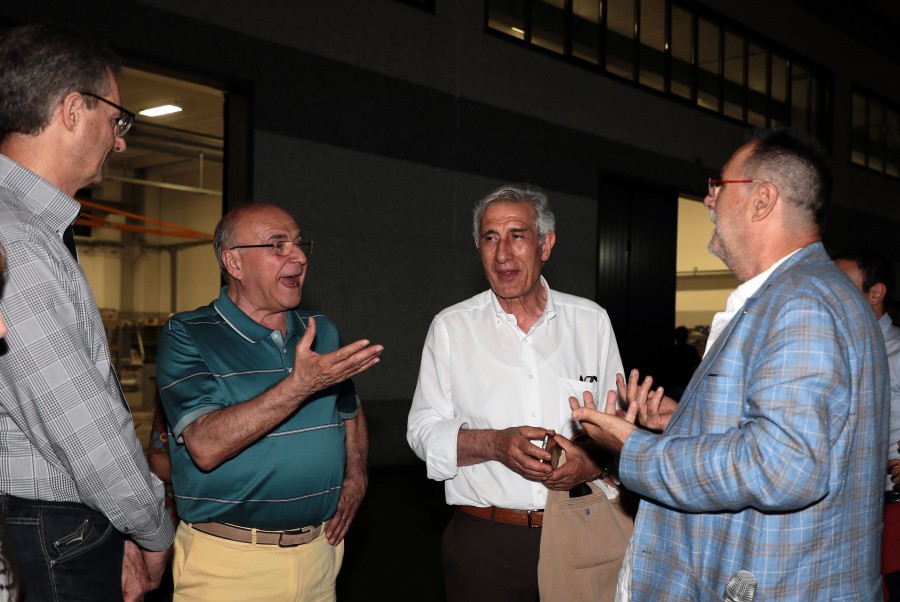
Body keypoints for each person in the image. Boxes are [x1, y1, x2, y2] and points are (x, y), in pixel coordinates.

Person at [570, 128, 889, 600]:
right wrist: (685, 420)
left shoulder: (801, 303)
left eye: (719, 186)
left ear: (762, 200)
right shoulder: (809, 293)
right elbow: (801, 436)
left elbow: (783, 467)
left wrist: (632, 447)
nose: (708, 199)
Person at [0, 23, 174, 601]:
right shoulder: (17, 238)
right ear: (74, 110)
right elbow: (81, 426)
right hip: (45, 530)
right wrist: (151, 528)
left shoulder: (31, 229)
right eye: (117, 120)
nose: (119, 142)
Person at [407, 183, 626, 602]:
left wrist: (592, 463)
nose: (503, 253)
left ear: (546, 245)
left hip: (582, 529)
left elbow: (617, 425)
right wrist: (494, 444)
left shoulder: (591, 322)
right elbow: (422, 431)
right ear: (478, 248)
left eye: (517, 235)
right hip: (487, 542)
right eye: (490, 238)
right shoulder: (451, 327)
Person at [155, 203, 382, 601]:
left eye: (298, 243)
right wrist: (299, 385)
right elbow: (204, 446)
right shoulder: (187, 333)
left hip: (321, 555)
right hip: (230, 563)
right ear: (234, 262)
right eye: (278, 245)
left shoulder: (320, 330)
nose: (299, 257)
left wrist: (356, 475)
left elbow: (349, 412)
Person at [834, 248, 900, 600]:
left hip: (892, 511)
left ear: (876, 293)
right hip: (840, 511)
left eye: (841, 285)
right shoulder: (827, 352)